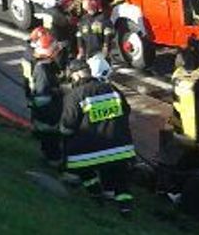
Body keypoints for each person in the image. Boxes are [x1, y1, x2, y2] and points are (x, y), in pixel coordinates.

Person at [59, 57, 135, 209]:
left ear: (77, 75)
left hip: (89, 154)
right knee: (121, 181)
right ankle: (125, 209)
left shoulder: (75, 96)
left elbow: (67, 127)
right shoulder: (113, 89)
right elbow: (126, 111)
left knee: (83, 168)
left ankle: (95, 195)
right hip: (121, 149)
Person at [25, 29, 65, 167]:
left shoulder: (44, 66)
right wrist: (59, 93)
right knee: (52, 146)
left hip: (45, 115)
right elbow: (43, 97)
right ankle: (55, 166)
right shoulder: (42, 70)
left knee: (50, 144)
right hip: (48, 118)